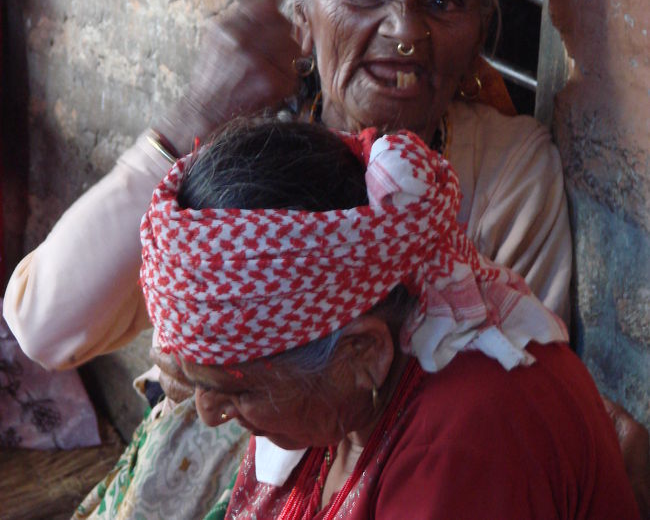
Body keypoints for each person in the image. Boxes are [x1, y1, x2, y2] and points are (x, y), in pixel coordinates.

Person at [3, 0, 646, 516]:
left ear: (478, 41)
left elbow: (469, 396)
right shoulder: (251, 154)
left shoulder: (506, 170)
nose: (405, 32)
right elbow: (45, 325)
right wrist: (193, 119)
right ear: (302, 22)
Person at [139, 116, 639, 519]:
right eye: (198, 380)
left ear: (364, 352)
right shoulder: (328, 382)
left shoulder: (467, 441)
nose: (207, 413)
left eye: (237, 391)